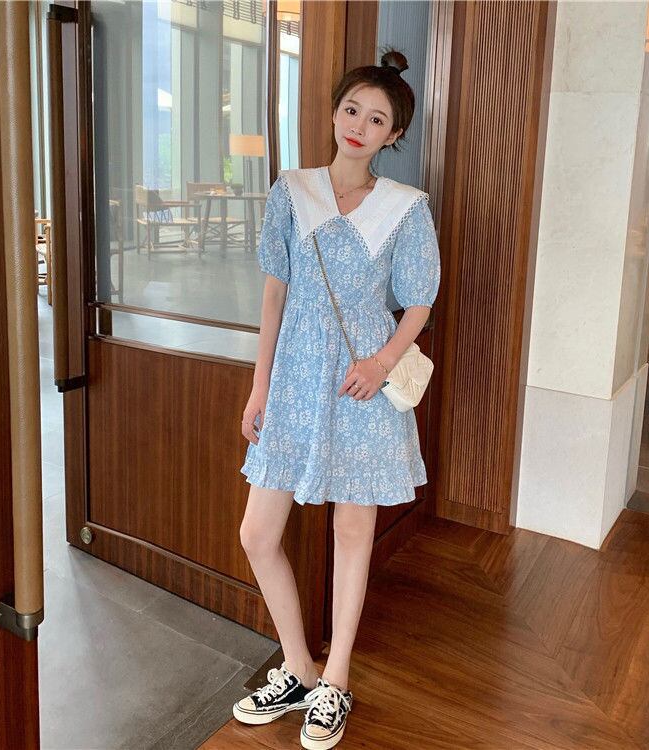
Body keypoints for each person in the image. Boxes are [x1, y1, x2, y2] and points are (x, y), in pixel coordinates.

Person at [232, 47, 441, 750]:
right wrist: (259, 383)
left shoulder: (405, 209)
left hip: (361, 386)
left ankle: (336, 680)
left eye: (376, 119)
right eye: (352, 109)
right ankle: (298, 667)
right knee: (257, 534)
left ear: (394, 135)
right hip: (293, 381)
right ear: (333, 112)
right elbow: (275, 292)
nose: (358, 125)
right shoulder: (292, 191)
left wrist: (382, 364)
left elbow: (419, 300)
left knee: (353, 534)